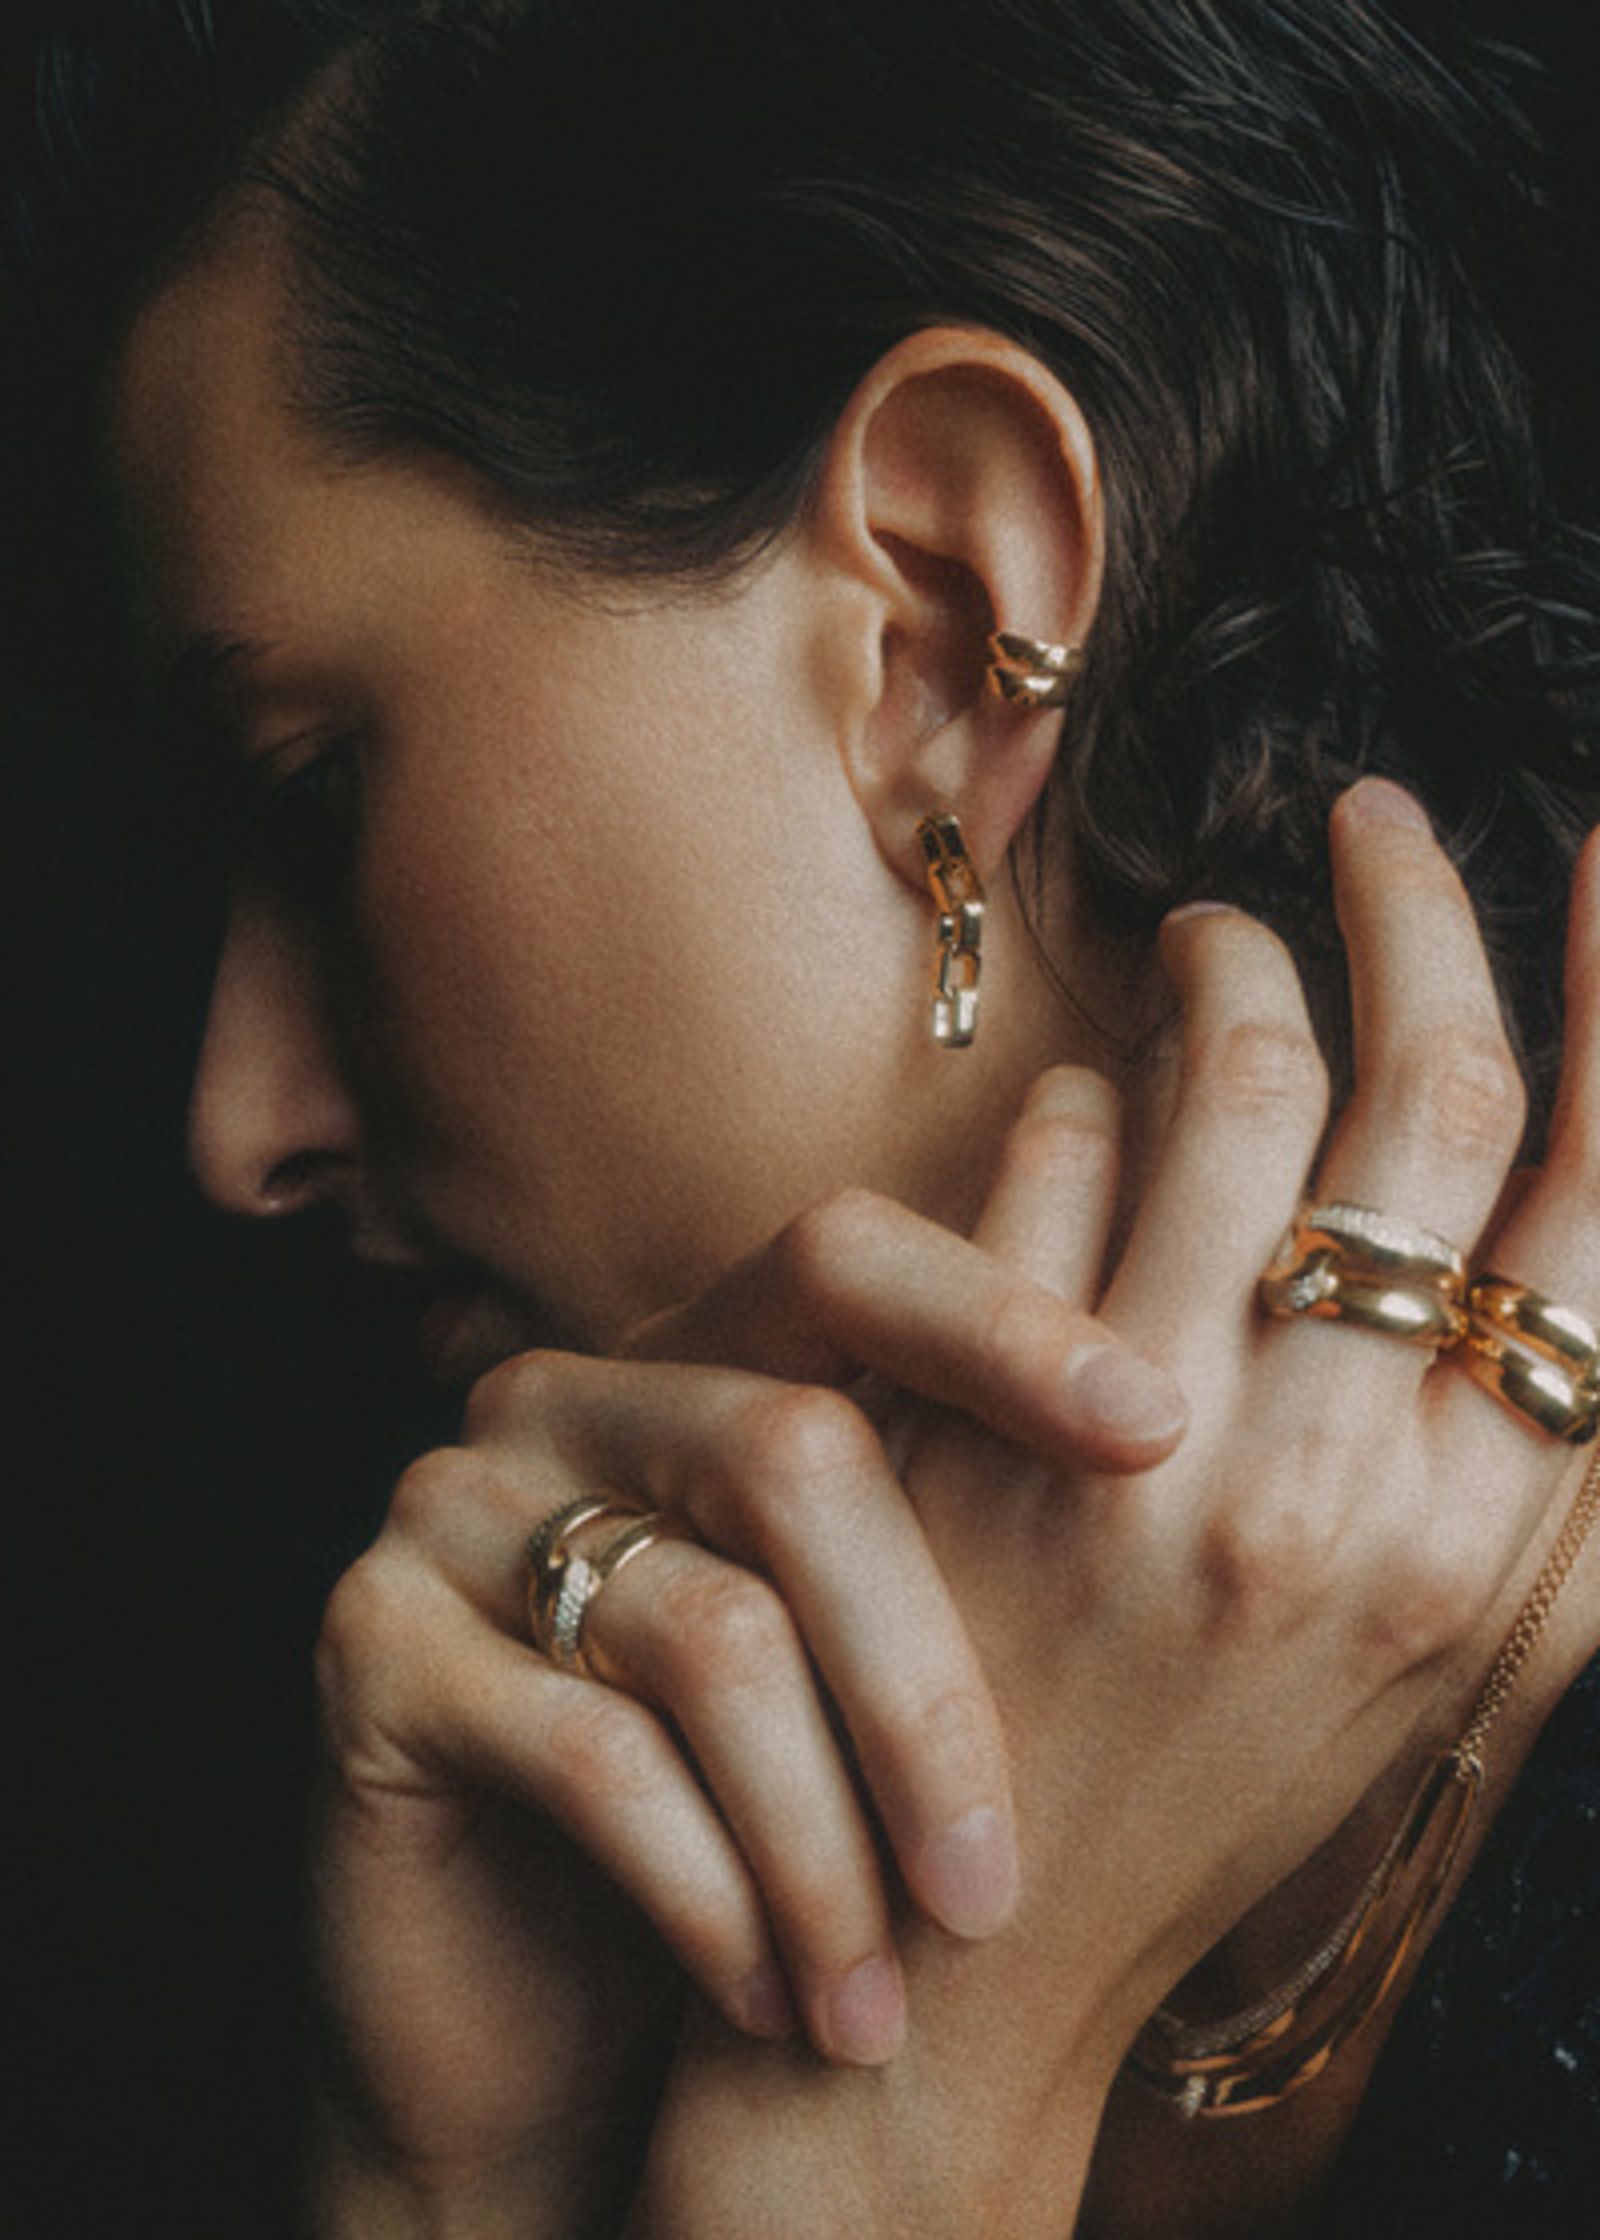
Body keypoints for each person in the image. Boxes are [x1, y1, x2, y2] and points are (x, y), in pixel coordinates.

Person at [6, 0, 1598, 2231]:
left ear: (940, 632)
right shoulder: (533, 1862)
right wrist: (445, 2188)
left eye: (312, 789)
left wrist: (857, 2141)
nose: (234, 1122)